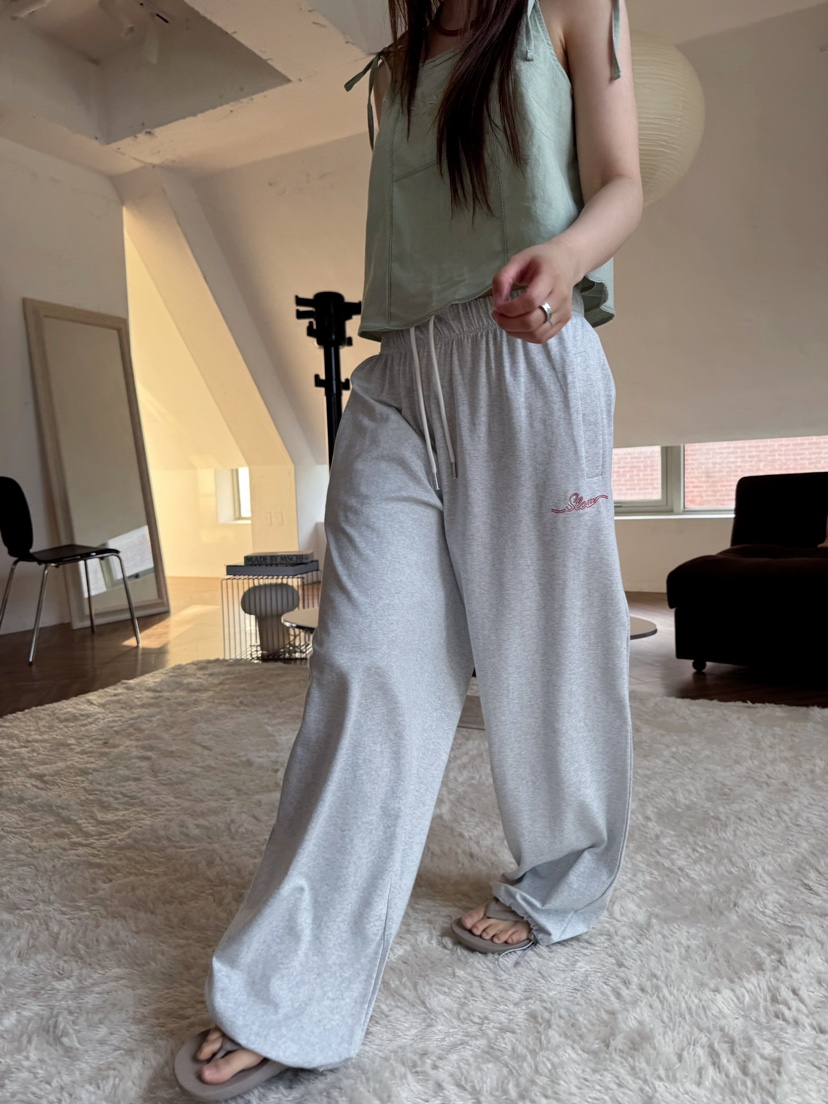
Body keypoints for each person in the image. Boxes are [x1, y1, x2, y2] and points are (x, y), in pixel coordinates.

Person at [173, 0, 642, 1098]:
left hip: (530, 356)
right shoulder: (391, 67)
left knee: (547, 656)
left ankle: (564, 876)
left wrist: (565, 257)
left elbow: (622, 179)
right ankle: (291, 988)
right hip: (394, 380)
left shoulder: (575, 9)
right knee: (364, 663)